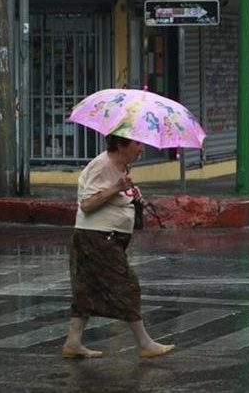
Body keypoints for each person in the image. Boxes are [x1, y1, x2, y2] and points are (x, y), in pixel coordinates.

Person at [62, 134, 175, 359]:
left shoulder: (121, 166)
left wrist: (130, 194)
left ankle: (73, 343)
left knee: (86, 289)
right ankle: (145, 343)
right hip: (97, 238)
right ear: (121, 145)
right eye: (137, 143)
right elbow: (87, 204)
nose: (141, 148)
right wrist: (116, 188)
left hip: (106, 237)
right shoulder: (101, 165)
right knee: (127, 286)